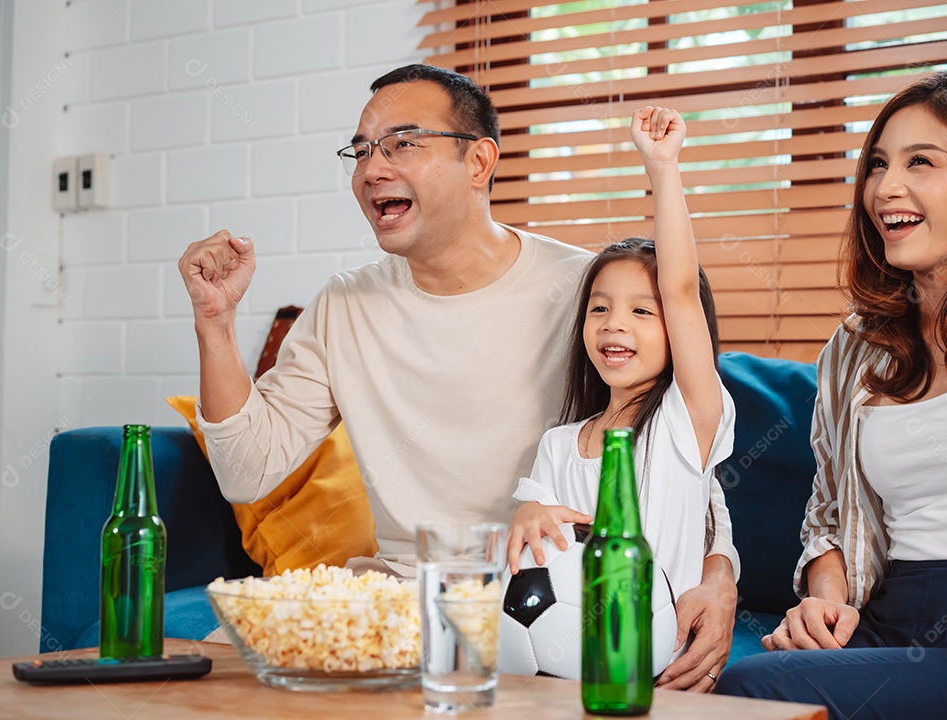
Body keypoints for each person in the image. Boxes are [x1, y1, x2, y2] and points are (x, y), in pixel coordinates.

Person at [178, 64, 738, 690]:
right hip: (399, 595)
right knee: (216, 672)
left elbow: (672, 450)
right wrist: (216, 325)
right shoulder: (344, 306)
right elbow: (245, 469)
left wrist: (717, 575)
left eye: (402, 143)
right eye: (361, 151)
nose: (371, 169)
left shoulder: (590, 295)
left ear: (479, 162)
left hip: (541, 601)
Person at [715, 70, 947, 718]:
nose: (887, 188)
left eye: (922, 162)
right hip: (887, 619)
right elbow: (830, 515)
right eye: (879, 164)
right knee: (737, 681)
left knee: (756, 693)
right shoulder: (856, 347)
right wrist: (825, 600)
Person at [506, 107, 737, 690]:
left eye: (642, 311)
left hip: (660, 667)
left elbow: (682, 291)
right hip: (561, 663)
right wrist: (528, 513)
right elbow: (531, 535)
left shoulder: (687, 423)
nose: (615, 325)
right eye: (600, 308)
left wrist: (662, 168)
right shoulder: (559, 445)